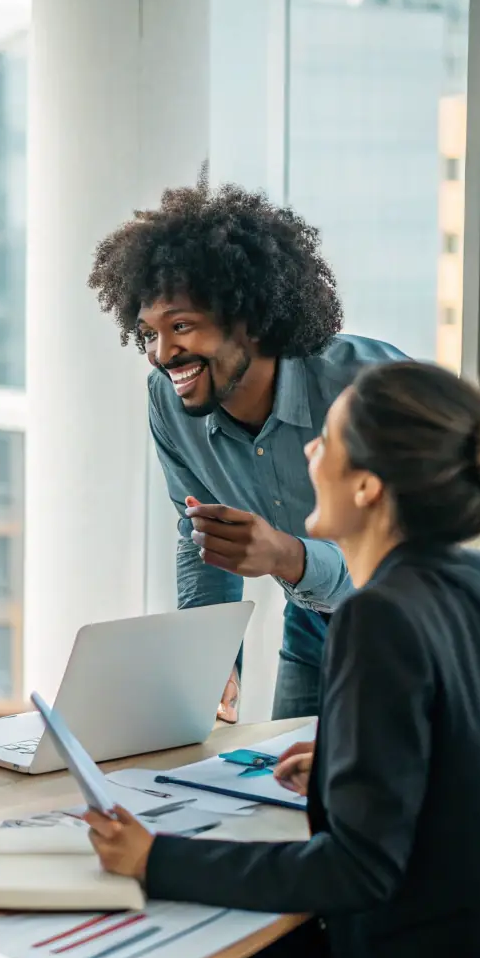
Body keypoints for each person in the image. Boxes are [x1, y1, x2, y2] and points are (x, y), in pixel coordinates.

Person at [82, 361, 480, 958]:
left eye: (325, 439)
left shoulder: (376, 614)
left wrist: (153, 858)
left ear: (367, 488)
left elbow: (355, 871)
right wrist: (350, 765)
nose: (308, 451)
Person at [87, 169, 404, 720]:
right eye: (149, 334)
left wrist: (289, 556)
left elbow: (411, 563)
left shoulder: (369, 391)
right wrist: (207, 661)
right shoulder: (167, 400)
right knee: (286, 798)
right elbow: (202, 533)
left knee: (384, 802)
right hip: (312, 623)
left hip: (414, 631)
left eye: (181, 325)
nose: (163, 354)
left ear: (250, 319)